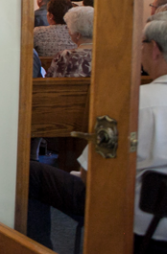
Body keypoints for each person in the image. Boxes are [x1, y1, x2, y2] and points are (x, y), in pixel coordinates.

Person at [27, 18, 167, 252]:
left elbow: (90, 174)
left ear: (153, 49)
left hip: (134, 220)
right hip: (158, 219)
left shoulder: (130, 105)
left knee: (28, 172)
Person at [47, 6, 93, 78]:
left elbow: (50, 82)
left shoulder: (65, 56)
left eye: (68, 28)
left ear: (78, 35)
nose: (69, 32)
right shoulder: (106, 54)